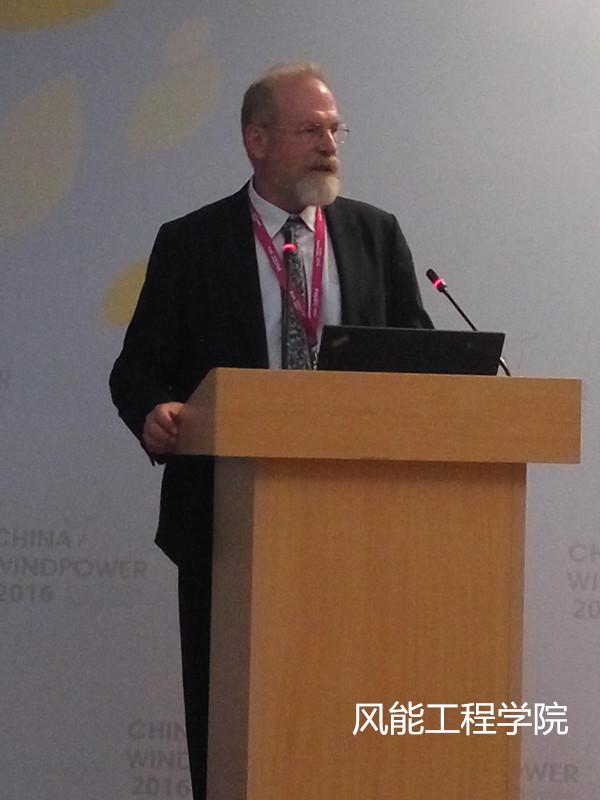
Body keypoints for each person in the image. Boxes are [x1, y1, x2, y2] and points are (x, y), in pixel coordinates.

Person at [110, 61, 432, 800]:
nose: (329, 145)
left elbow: (417, 357)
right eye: (311, 130)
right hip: (228, 523)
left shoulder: (375, 234)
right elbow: (138, 368)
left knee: (349, 716)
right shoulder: (192, 242)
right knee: (232, 724)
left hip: (360, 523)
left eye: (335, 130)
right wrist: (155, 412)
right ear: (256, 141)